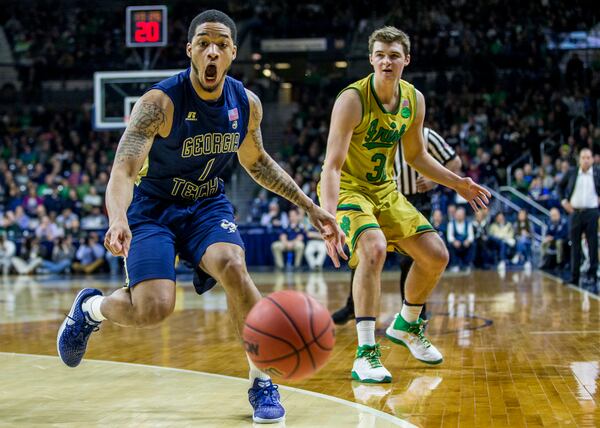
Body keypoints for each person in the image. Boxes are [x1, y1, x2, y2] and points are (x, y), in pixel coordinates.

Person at [56, 10, 345, 424]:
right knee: (153, 308)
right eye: (204, 43)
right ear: (190, 49)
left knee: (233, 263)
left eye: (222, 45)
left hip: (207, 205)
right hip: (153, 209)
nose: (212, 52)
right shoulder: (159, 103)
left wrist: (310, 207)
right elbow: (123, 168)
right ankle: (91, 310)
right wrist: (117, 218)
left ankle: (261, 381)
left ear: (232, 53)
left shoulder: (246, 103)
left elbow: (259, 162)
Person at [319, 26, 490, 383]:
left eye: (394, 55)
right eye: (380, 54)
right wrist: (328, 217)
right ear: (371, 59)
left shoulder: (414, 100)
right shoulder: (351, 100)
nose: (386, 61)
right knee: (374, 248)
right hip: (349, 189)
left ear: (406, 60)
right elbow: (331, 166)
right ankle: (366, 353)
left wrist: (458, 183)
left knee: (436, 255)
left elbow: (416, 155)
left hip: (385, 189)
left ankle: (407, 325)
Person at [332, 127, 461, 324]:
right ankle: (353, 307)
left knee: (412, 258)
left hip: (415, 201)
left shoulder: (426, 135)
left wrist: (432, 180)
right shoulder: (378, 130)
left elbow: (455, 161)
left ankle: (413, 314)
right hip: (381, 198)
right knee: (364, 252)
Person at [558, 148, 599, 286]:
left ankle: (592, 276)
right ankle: (574, 278)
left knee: (593, 245)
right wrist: (564, 202)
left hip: (592, 213)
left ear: (592, 159)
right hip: (575, 213)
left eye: (588, 157)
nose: (586, 160)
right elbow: (559, 187)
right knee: (575, 245)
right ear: (579, 159)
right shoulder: (572, 172)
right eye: (583, 157)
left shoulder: (597, 173)